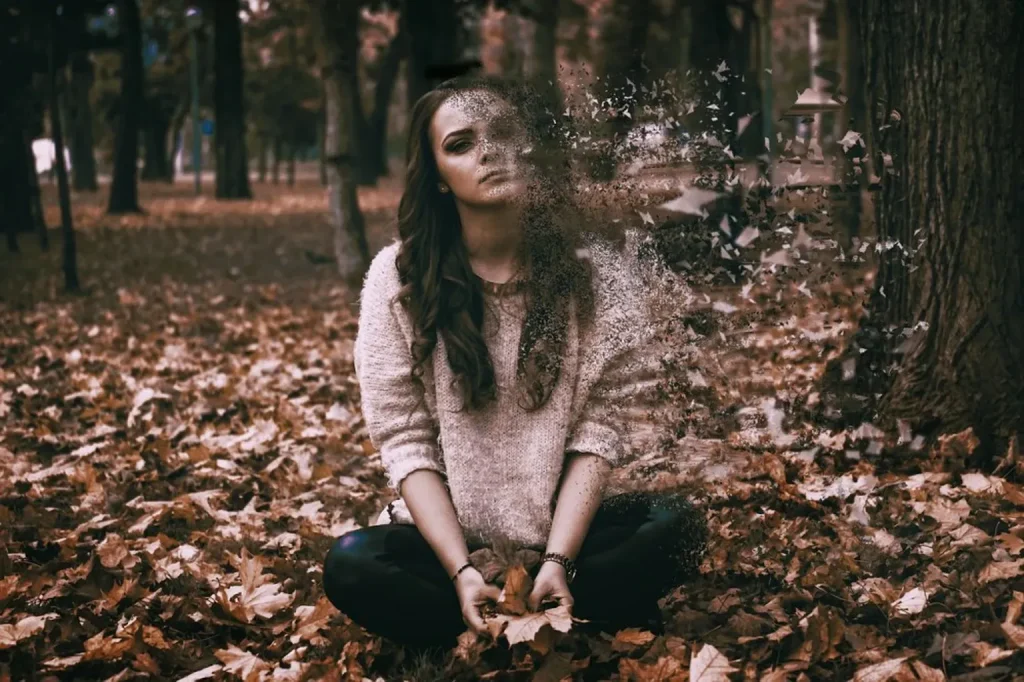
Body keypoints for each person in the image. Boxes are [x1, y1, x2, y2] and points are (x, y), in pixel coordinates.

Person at [322, 75, 708, 651]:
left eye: (505, 134)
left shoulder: (598, 274)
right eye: (461, 144)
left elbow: (600, 433)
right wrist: (462, 571)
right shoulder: (395, 279)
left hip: (569, 540)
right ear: (438, 179)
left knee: (678, 529)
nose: (490, 152)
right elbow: (405, 441)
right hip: (448, 547)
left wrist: (557, 559)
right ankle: (497, 616)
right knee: (351, 565)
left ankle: (549, 603)